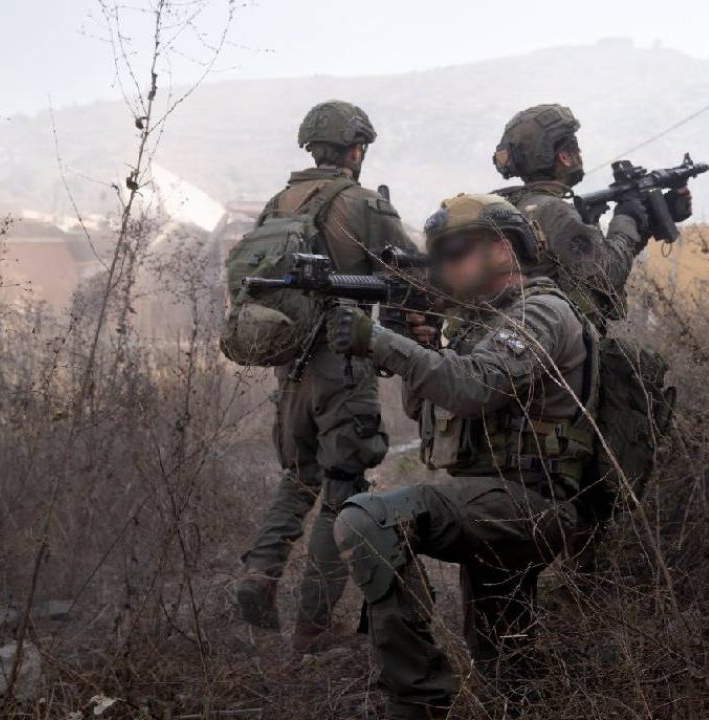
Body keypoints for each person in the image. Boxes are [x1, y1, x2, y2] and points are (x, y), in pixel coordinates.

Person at [327, 194, 594, 720]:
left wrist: (380, 341)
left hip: (531, 502)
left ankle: (419, 702)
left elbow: (472, 388)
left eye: (457, 250)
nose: (446, 265)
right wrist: (411, 337)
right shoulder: (480, 326)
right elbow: (426, 405)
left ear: (503, 248)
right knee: (506, 669)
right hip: (492, 501)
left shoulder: (541, 311)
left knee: (368, 519)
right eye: (439, 255)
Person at [234, 100, 414, 654]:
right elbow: (414, 273)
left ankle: (258, 575)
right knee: (344, 488)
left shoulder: (276, 204)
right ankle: (314, 626)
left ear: (313, 147)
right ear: (356, 148)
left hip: (290, 365)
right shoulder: (362, 204)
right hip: (343, 361)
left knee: (299, 475)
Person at [492, 103, 693, 327]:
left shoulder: (513, 207)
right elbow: (608, 274)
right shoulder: (552, 212)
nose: (580, 154)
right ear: (564, 157)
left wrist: (646, 222)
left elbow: (592, 264)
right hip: (553, 347)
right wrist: (626, 219)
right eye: (575, 148)